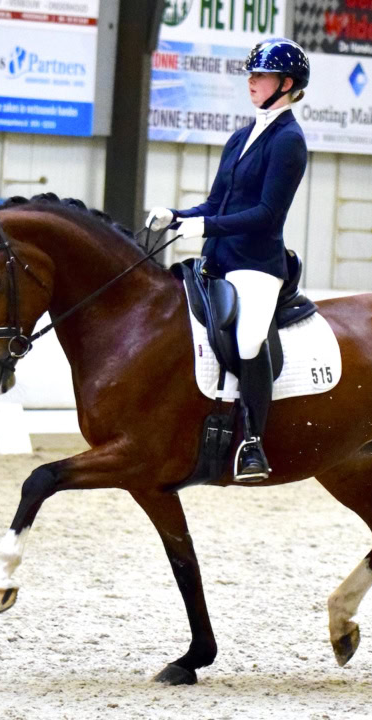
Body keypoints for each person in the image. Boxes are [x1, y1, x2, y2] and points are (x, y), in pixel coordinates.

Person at [146, 37, 311, 483]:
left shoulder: (289, 141)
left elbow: (267, 215)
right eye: (252, 75)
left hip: (257, 265)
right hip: (217, 259)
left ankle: (253, 442)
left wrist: (206, 228)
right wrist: (178, 215)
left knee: (249, 340)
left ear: (287, 83)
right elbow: (218, 202)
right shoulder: (240, 137)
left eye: (261, 75)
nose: (252, 82)